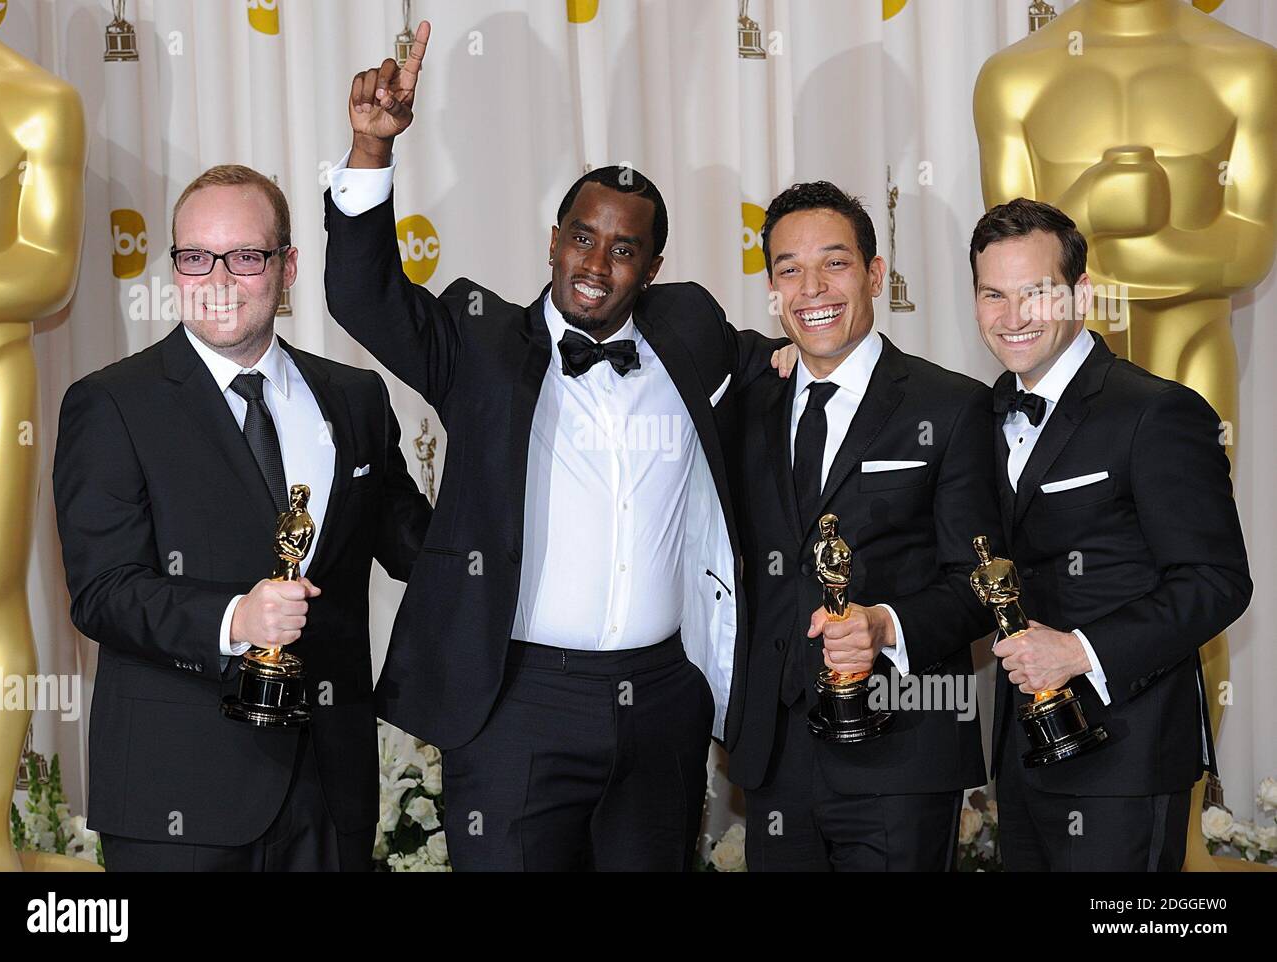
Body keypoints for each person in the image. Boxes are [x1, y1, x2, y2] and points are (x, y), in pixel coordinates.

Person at [324, 22, 793, 871]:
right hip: (516, 701)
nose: (596, 263)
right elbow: (365, 295)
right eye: (583, 237)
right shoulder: (480, 339)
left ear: (652, 268)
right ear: (552, 238)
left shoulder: (691, 330)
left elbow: (784, 365)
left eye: (624, 249)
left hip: (663, 699)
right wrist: (369, 149)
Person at [53, 164, 431, 871]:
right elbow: (102, 590)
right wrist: (235, 619)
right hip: (179, 797)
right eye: (195, 257)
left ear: (287, 267)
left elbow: (418, 547)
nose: (218, 279)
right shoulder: (112, 406)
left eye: (246, 257)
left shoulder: (354, 399)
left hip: (329, 788)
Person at [725, 181, 1001, 871]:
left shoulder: (953, 405)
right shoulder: (745, 405)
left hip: (902, 752)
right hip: (775, 758)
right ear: (772, 286)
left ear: (876, 273)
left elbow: (982, 582)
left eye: (835, 263)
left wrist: (886, 625)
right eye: (789, 268)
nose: (811, 286)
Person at [970, 197, 1252, 871]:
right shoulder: (980, 416)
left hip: (1125, 756)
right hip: (1021, 754)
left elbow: (1216, 582)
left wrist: (1079, 650)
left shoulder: (1157, 412)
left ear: (1082, 293)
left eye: (1035, 293)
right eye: (992, 295)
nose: (1012, 318)